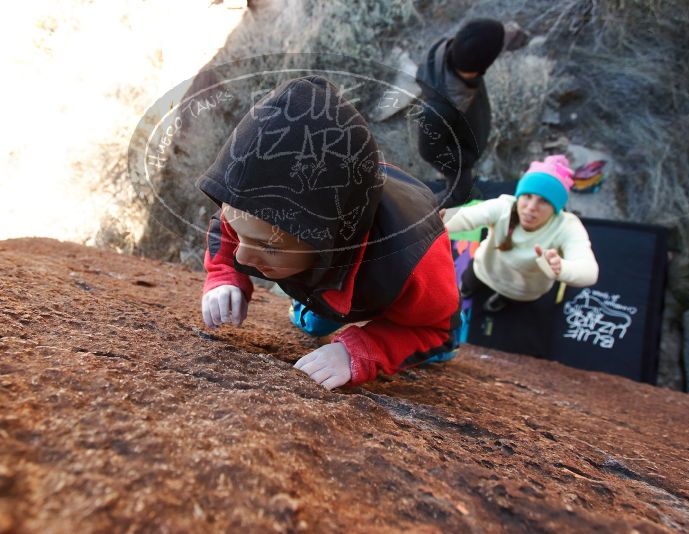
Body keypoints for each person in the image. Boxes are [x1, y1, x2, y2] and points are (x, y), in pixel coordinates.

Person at [198, 76, 459, 390]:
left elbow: (434, 329)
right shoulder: (252, 211)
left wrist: (359, 350)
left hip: (394, 245)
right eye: (241, 233)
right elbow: (226, 223)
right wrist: (224, 274)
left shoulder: (413, 262)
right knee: (317, 320)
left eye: (268, 246)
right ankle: (319, 300)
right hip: (335, 252)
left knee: (439, 343)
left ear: (329, 238)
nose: (242, 255)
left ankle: (328, 300)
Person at [444, 155, 599, 313]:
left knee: (509, 299)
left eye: (544, 201)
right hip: (485, 268)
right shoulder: (504, 207)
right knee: (468, 283)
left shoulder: (567, 227)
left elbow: (588, 272)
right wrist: (438, 222)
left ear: (556, 207)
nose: (531, 207)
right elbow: (466, 216)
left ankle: (500, 299)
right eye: (527, 196)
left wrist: (562, 269)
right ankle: (467, 291)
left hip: (522, 290)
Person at [415, 18, 505, 208]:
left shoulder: (453, 55)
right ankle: (420, 213)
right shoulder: (438, 110)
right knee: (458, 195)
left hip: (465, 139)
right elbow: (429, 151)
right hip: (459, 155)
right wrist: (464, 160)